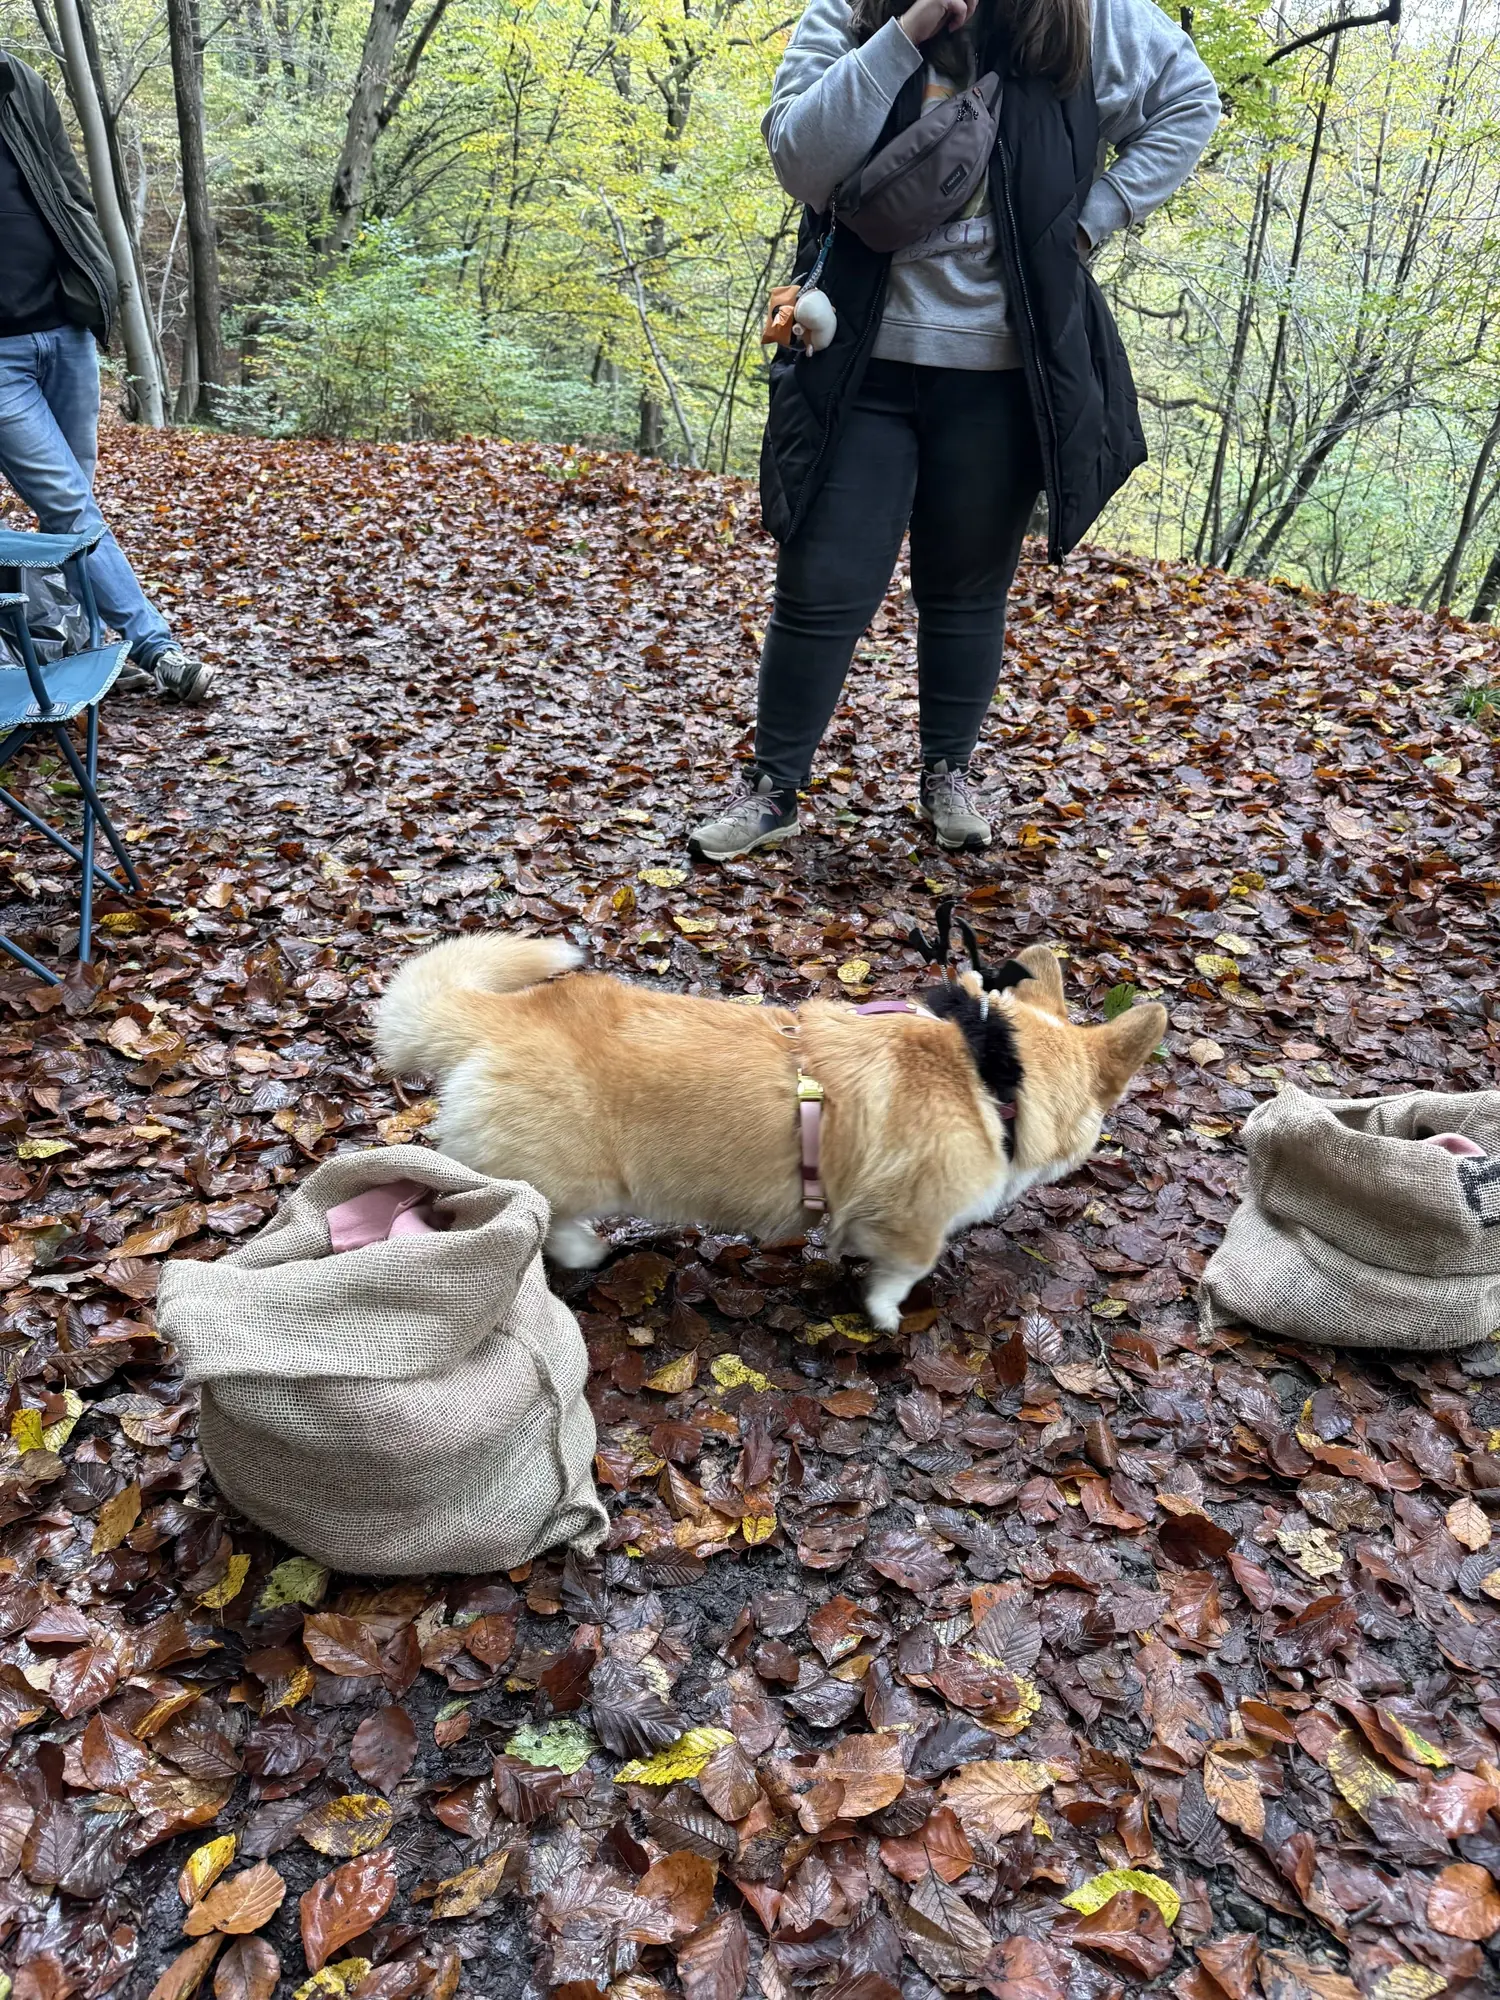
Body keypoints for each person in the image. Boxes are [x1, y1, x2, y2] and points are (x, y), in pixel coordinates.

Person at [688, 0, 1218, 861]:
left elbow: (1191, 103)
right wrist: (905, 33)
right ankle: (773, 789)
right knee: (821, 587)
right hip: (856, 356)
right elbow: (800, 159)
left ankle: (946, 776)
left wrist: (1094, 216)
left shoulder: (1093, 18)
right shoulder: (853, 12)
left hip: (1007, 372)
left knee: (967, 593)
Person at [0, 48, 216, 702]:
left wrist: (91, 274)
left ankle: (66, 633)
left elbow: (64, 183)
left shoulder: (18, 84)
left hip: (64, 328)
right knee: (68, 501)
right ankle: (156, 647)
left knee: (72, 502)